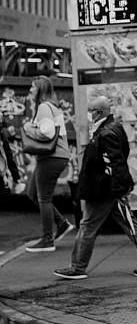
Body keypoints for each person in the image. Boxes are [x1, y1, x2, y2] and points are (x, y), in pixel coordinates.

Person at [54, 95, 137, 280]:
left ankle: (78, 267)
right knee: (130, 224)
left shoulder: (105, 133)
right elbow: (121, 157)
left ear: (98, 113)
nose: (89, 116)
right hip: (111, 189)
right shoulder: (113, 128)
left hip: (104, 190)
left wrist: (116, 188)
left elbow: (114, 163)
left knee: (88, 225)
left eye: (91, 112)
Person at [24, 77, 74, 253]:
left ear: (40, 90)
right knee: (32, 192)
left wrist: (28, 128)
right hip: (54, 157)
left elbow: (46, 132)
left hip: (52, 157)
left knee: (43, 198)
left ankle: (47, 240)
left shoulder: (44, 107)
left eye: (33, 87)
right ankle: (61, 223)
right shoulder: (51, 106)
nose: (30, 89)